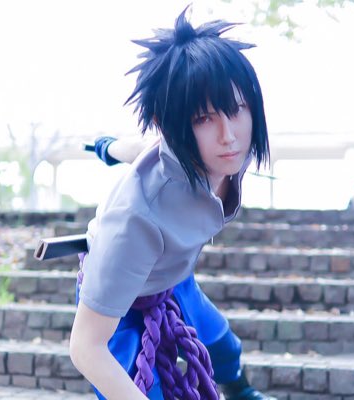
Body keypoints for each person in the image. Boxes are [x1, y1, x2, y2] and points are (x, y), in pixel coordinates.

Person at [70, 6, 273, 400]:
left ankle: (242, 393)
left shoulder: (228, 151)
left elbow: (139, 147)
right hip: (122, 293)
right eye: (203, 119)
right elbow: (85, 347)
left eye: (235, 109)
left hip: (173, 277)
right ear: (170, 126)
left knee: (224, 347)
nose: (228, 135)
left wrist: (106, 147)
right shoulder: (136, 219)